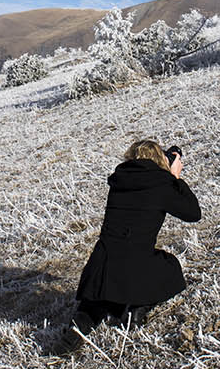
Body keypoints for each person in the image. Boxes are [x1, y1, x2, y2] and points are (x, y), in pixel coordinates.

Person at [74, 139, 201, 331]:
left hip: (101, 265)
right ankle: (137, 309)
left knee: (90, 311)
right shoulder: (161, 185)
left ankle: (67, 342)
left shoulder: (118, 182)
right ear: (159, 159)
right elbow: (193, 213)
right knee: (170, 268)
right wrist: (175, 178)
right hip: (137, 265)